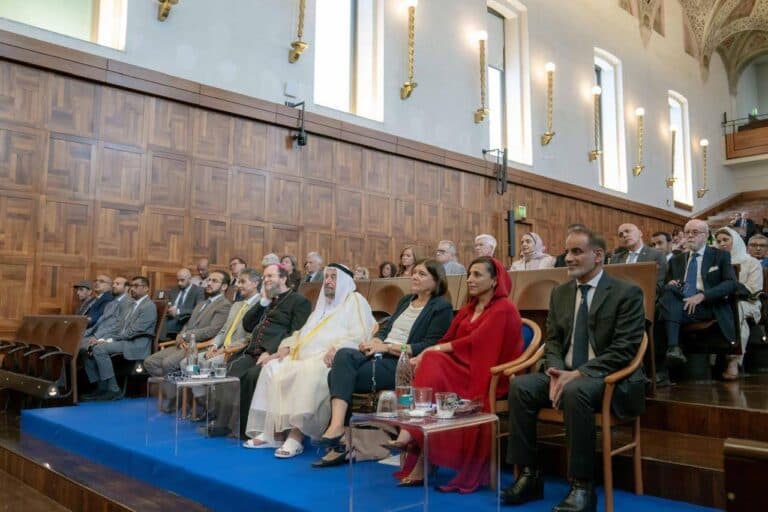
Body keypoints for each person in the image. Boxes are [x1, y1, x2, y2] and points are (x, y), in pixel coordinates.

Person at [502, 228, 646, 511]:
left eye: (576, 252)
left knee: (575, 392)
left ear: (598, 255)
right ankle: (529, 475)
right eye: (567, 252)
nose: (568, 258)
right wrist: (555, 371)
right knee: (521, 387)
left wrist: (577, 374)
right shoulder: (561, 292)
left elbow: (625, 350)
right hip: (565, 374)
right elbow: (553, 340)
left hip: (607, 379)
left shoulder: (626, 292)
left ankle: (583, 487)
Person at [391, 256, 523, 492]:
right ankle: (419, 444)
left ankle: (412, 434)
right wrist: (426, 354)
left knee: (433, 357)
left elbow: (477, 342)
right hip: (462, 368)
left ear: (494, 281)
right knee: (431, 361)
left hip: (489, 375)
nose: (470, 279)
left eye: (477, 275)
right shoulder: (469, 308)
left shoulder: (504, 308)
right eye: (469, 274)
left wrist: (433, 349)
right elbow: (449, 338)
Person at [312, 259, 454, 468]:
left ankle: (339, 442)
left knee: (337, 376)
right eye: (414, 273)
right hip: (380, 352)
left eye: (422, 274)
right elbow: (388, 329)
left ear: (436, 280)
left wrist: (387, 348)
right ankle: (337, 428)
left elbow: (429, 344)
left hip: (401, 361)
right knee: (343, 355)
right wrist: (378, 340)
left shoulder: (441, 306)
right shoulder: (406, 300)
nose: (415, 277)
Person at [244, 264, 375, 458]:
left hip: (328, 359)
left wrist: (338, 348)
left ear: (345, 282)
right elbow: (301, 333)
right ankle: (273, 433)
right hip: (303, 356)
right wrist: (284, 349)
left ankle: (296, 437)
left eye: (334, 277)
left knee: (308, 372)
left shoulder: (355, 300)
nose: (328, 281)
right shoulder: (322, 307)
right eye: (327, 277)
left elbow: (362, 333)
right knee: (271, 367)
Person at [222, 263, 311, 438]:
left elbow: (295, 332)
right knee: (228, 372)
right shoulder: (269, 301)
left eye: (270, 276)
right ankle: (225, 424)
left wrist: (270, 351)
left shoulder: (299, 301)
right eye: (265, 277)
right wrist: (262, 302)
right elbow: (248, 325)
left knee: (251, 376)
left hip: (276, 353)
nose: (266, 280)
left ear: (283, 278)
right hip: (252, 351)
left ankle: (248, 431)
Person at [657, 219, 738, 368]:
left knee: (659, 314)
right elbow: (665, 286)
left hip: (706, 304)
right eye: (687, 232)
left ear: (706, 235)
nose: (690, 236)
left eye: (695, 232)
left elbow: (731, 283)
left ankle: (663, 366)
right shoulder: (677, 260)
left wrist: (702, 295)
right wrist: (671, 284)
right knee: (667, 295)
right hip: (680, 302)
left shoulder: (720, 256)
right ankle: (672, 350)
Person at [143, 270, 232, 381]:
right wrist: (180, 336)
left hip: (200, 346)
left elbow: (212, 330)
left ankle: (177, 392)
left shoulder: (224, 305)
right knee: (149, 362)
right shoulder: (202, 303)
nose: (209, 283)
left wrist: (186, 336)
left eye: (214, 281)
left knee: (167, 364)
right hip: (184, 345)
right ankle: (176, 385)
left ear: (224, 286)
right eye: (209, 280)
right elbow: (188, 324)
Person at [82, 276, 157, 401]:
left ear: (146, 289)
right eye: (131, 286)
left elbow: (133, 332)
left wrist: (109, 340)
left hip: (136, 343)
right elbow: (117, 327)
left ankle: (113, 390)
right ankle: (101, 387)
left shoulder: (149, 306)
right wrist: (102, 337)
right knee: (88, 348)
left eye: (136, 286)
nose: (132, 289)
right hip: (123, 340)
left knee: (99, 349)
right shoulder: (129, 305)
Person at [714, 227, 763, 380]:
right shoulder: (715, 263)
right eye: (719, 241)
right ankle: (711, 359)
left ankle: (733, 361)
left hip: (748, 302)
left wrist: (730, 287)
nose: (722, 244)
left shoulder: (751, 262)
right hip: (722, 302)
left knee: (737, 310)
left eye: (725, 240)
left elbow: (754, 289)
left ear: (734, 241)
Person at [609, 223, 666, 293]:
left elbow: (657, 286)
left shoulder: (657, 255)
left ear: (640, 233)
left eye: (627, 231)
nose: (624, 235)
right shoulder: (615, 258)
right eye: (621, 235)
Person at [81, 276, 133, 350]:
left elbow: (118, 326)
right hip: (97, 334)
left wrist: (97, 336)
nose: (114, 286)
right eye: (113, 283)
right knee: (73, 341)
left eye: (117, 284)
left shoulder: (128, 303)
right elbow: (99, 323)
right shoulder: (111, 303)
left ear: (127, 288)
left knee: (79, 346)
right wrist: (83, 333)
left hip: (109, 337)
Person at [163, 268, 204, 340]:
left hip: (184, 320)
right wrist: (168, 310)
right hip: (169, 317)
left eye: (182, 280)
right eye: (178, 280)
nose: (179, 283)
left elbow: (198, 310)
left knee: (162, 328)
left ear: (190, 279)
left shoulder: (198, 291)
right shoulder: (174, 289)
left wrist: (178, 311)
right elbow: (168, 304)